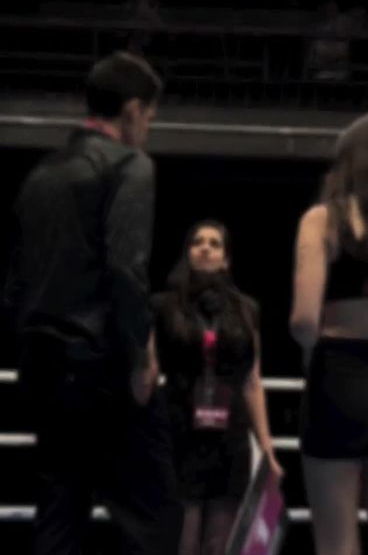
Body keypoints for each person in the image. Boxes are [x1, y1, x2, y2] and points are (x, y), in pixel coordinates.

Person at [6, 51, 183, 555]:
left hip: (42, 362)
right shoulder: (130, 164)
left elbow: (14, 282)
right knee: (156, 515)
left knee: (61, 511)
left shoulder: (41, 173)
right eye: (148, 118)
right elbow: (126, 267)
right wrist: (141, 355)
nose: (147, 129)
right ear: (132, 110)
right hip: (100, 362)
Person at [289, 111, 368, 555]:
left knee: (337, 544)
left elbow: (304, 320)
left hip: (338, 377)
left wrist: (315, 348)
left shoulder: (324, 218)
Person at [150, 220, 283, 555]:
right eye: (197, 242)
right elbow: (148, 371)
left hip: (229, 435)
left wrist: (267, 449)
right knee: (183, 540)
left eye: (214, 243)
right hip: (179, 430)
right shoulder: (163, 306)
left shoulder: (247, 309)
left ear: (226, 259)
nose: (205, 248)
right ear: (188, 253)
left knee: (219, 544)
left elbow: (252, 382)